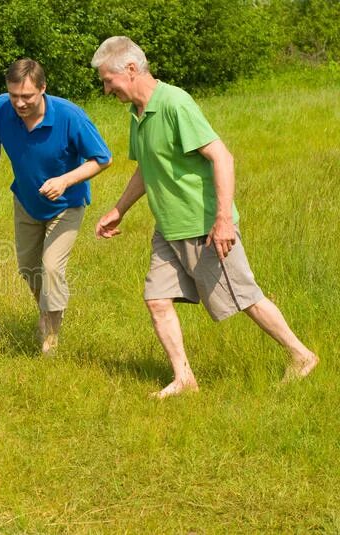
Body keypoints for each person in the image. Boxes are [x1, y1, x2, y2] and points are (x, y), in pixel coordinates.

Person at [90, 36, 319, 398]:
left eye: (107, 80)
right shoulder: (137, 113)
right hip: (168, 227)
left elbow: (222, 157)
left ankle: (301, 355)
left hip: (203, 226)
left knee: (245, 297)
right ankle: (185, 379)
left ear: (131, 70)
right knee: (157, 299)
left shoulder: (174, 103)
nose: (105, 89)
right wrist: (119, 210)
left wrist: (224, 219)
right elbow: (146, 169)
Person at [0, 58, 112, 354]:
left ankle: (50, 335)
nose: (19, 103)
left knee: (51, 268)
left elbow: (102, 158)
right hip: (26, 201)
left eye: (27, 96)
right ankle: (48, 307)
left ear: (43, 88)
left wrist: (65, 181)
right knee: (29, 269)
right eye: (14, 95)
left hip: (66, 204)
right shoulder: (0, 109)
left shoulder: (69, 116)